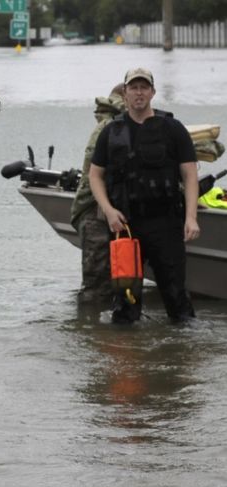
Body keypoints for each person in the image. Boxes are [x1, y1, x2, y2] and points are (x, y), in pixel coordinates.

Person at [89, 67, 199, 324]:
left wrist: (191, 218)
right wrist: (108, 210)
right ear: (125, 93)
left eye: (144, 87)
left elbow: (190, 175)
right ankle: (127, 357)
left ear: (152, 92)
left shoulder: (173, 128)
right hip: (125, 225)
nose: (139, 93)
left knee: (176, 298)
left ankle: (182, 356)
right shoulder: (111, 132)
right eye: (134, 88)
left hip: (166, 223)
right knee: (126, 300)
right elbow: (95, 176)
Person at [70, 83, 126, 303]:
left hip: (107, 212)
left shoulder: (114, 126)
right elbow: (93, 176)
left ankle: (99, 331)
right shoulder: (108, 128)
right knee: (97, 287)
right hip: (95, 214)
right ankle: (91, 331)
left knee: (117, 281)